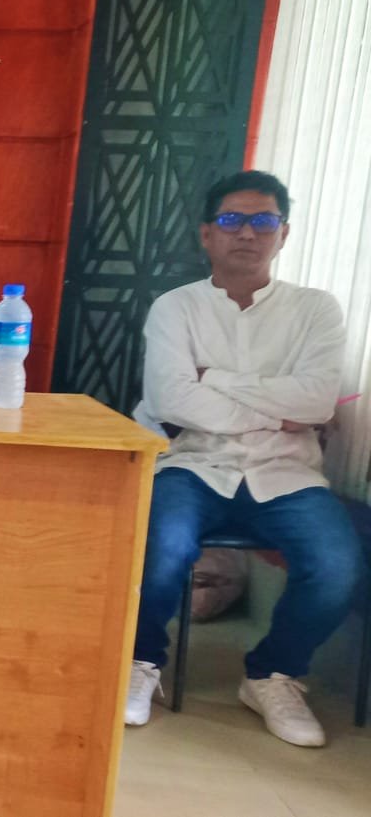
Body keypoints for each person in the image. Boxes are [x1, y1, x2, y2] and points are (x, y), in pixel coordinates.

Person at [126, 170, 365, 746]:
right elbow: (170, 400)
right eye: (232, 220)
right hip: (193, 463)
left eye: (264, 221)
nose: (248, 233)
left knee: (337, 565)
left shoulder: (316, 310)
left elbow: (316, 400)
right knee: (161, 547)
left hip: (285, 472)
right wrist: (278, 410)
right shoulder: (175, 308)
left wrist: (215, 379)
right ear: (207, 233)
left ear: (284, 233)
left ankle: (272, 674)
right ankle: (140, 662)